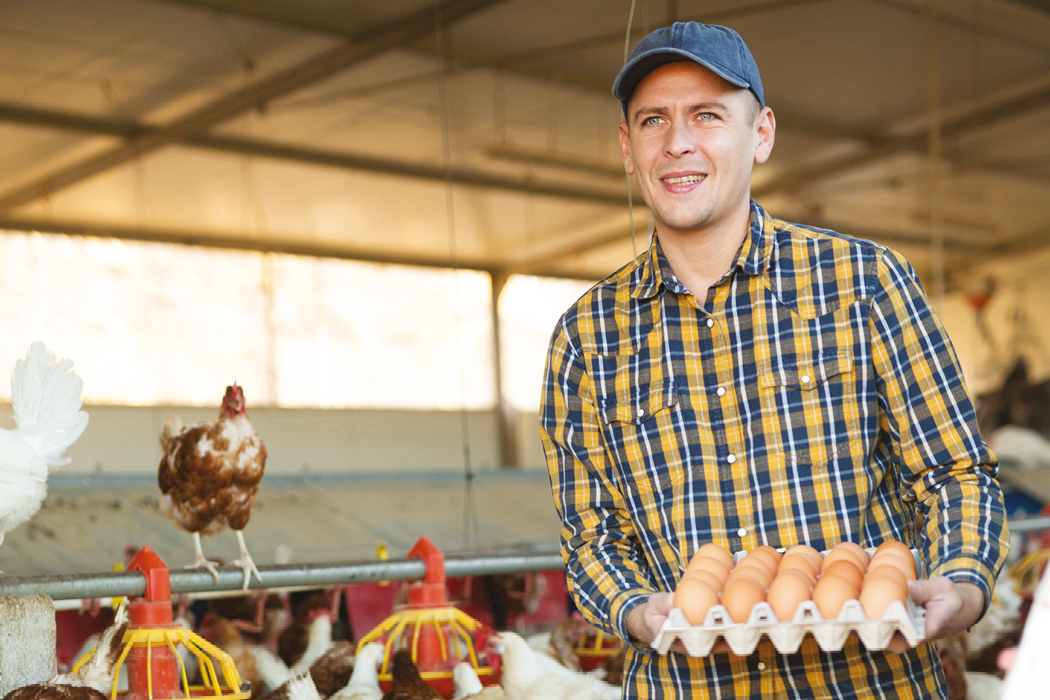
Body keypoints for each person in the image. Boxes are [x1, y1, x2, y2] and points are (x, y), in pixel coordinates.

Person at [539, 21, 1009, 699]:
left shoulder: (864, 281)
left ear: (761, 133)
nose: (678, 143)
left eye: (707, 115)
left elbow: (955, 472)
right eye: (652, 121)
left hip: (868, 684)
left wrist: (964, 584)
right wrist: (637, 609)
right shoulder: (587, 337)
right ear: (627, 146)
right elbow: (591, 536)